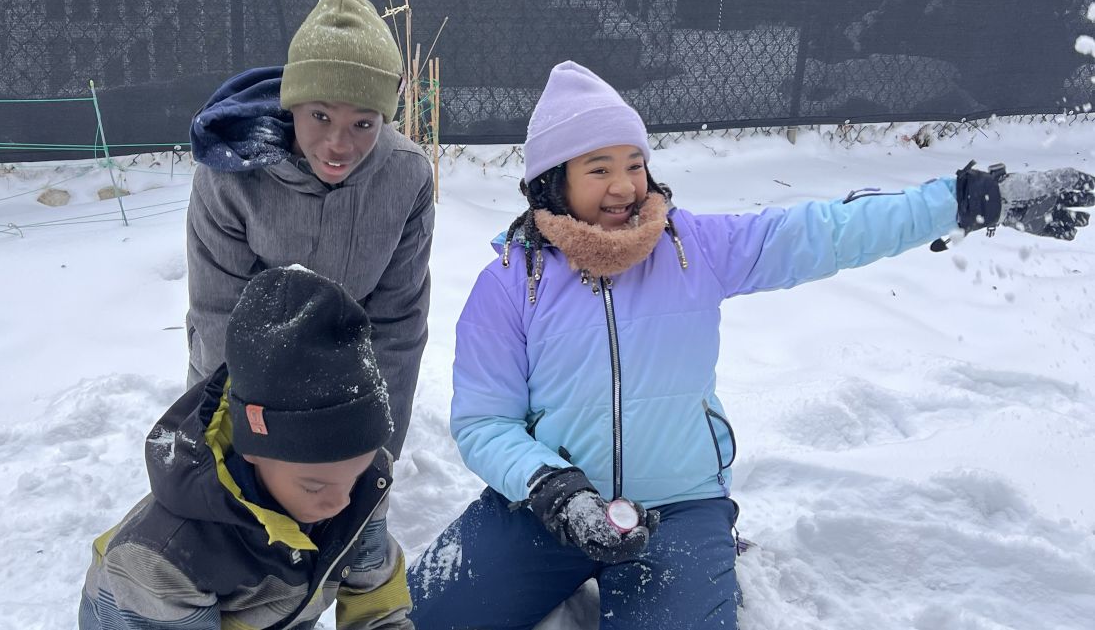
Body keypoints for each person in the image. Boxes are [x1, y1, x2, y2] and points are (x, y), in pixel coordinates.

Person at [405, 61, 1092, 630]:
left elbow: (826, 230)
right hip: (547, 507)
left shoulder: (693, 249)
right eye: (598, 168)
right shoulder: (509, 281)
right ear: (553, 179)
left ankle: (707, 551)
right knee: (419, 616)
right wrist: (550, 486)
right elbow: (484, 419)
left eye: (634, 163)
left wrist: (961, 200)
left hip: (676, 506)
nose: (624, 185)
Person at [79, 266, 413, 630]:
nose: (341, 503)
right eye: (314, 485)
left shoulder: (358, 484)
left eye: (355, 475)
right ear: (253, 448)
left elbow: (376, 600)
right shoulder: (159, 561)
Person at [185, 0, 433, 458]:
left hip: (350, 364)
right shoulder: (229, 176)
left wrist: (376, 453)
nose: (338, 144)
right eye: (320, 116)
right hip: (247, 361)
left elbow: (399, 322)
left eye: (363, 123)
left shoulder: (408, 176)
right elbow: (218, 316)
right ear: (292, 103)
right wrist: (252, 443)